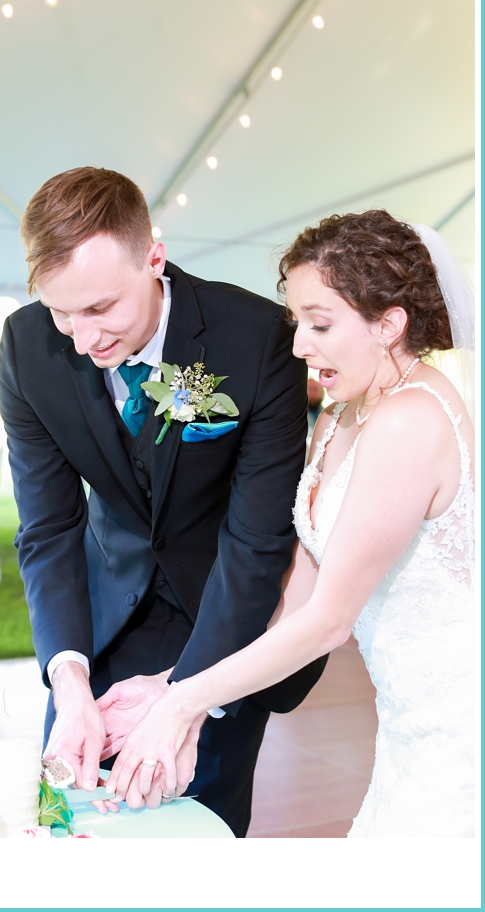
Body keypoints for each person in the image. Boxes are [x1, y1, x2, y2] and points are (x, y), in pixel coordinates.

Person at [104, 212, 476, 838]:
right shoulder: (337, 417)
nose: (299, 344)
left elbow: (329, 621)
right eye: (297, 321)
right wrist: (177, 681)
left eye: (321, 324)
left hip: (460, 716)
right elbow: (296, 597)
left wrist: (183, 706)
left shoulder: (412, 420)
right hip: (411, 720)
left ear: (389, 325)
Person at [0, 167, 325, 837]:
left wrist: (190, 692)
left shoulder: (258, 339)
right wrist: (69, 681)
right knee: (67, 829)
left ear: (154, 257)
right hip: (101, 623)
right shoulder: (27, 348)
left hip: (221, 621)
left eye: (99, 308)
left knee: (189, 837)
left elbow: (256, 540)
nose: (84, 341)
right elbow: (49, 526)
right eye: (62, 311)